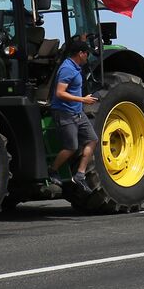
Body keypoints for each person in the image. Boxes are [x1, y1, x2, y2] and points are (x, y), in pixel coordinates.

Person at [50, 39, 100, 192]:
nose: (87, 57)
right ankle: (52, 170)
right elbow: (60, 93)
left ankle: (80, 175)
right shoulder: (67, 69)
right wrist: (83, 99)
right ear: (81, 54)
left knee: (93, 139)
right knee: (71, 147)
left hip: (77, 112)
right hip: (65, 113)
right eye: (87, 54)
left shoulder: (76, 67)